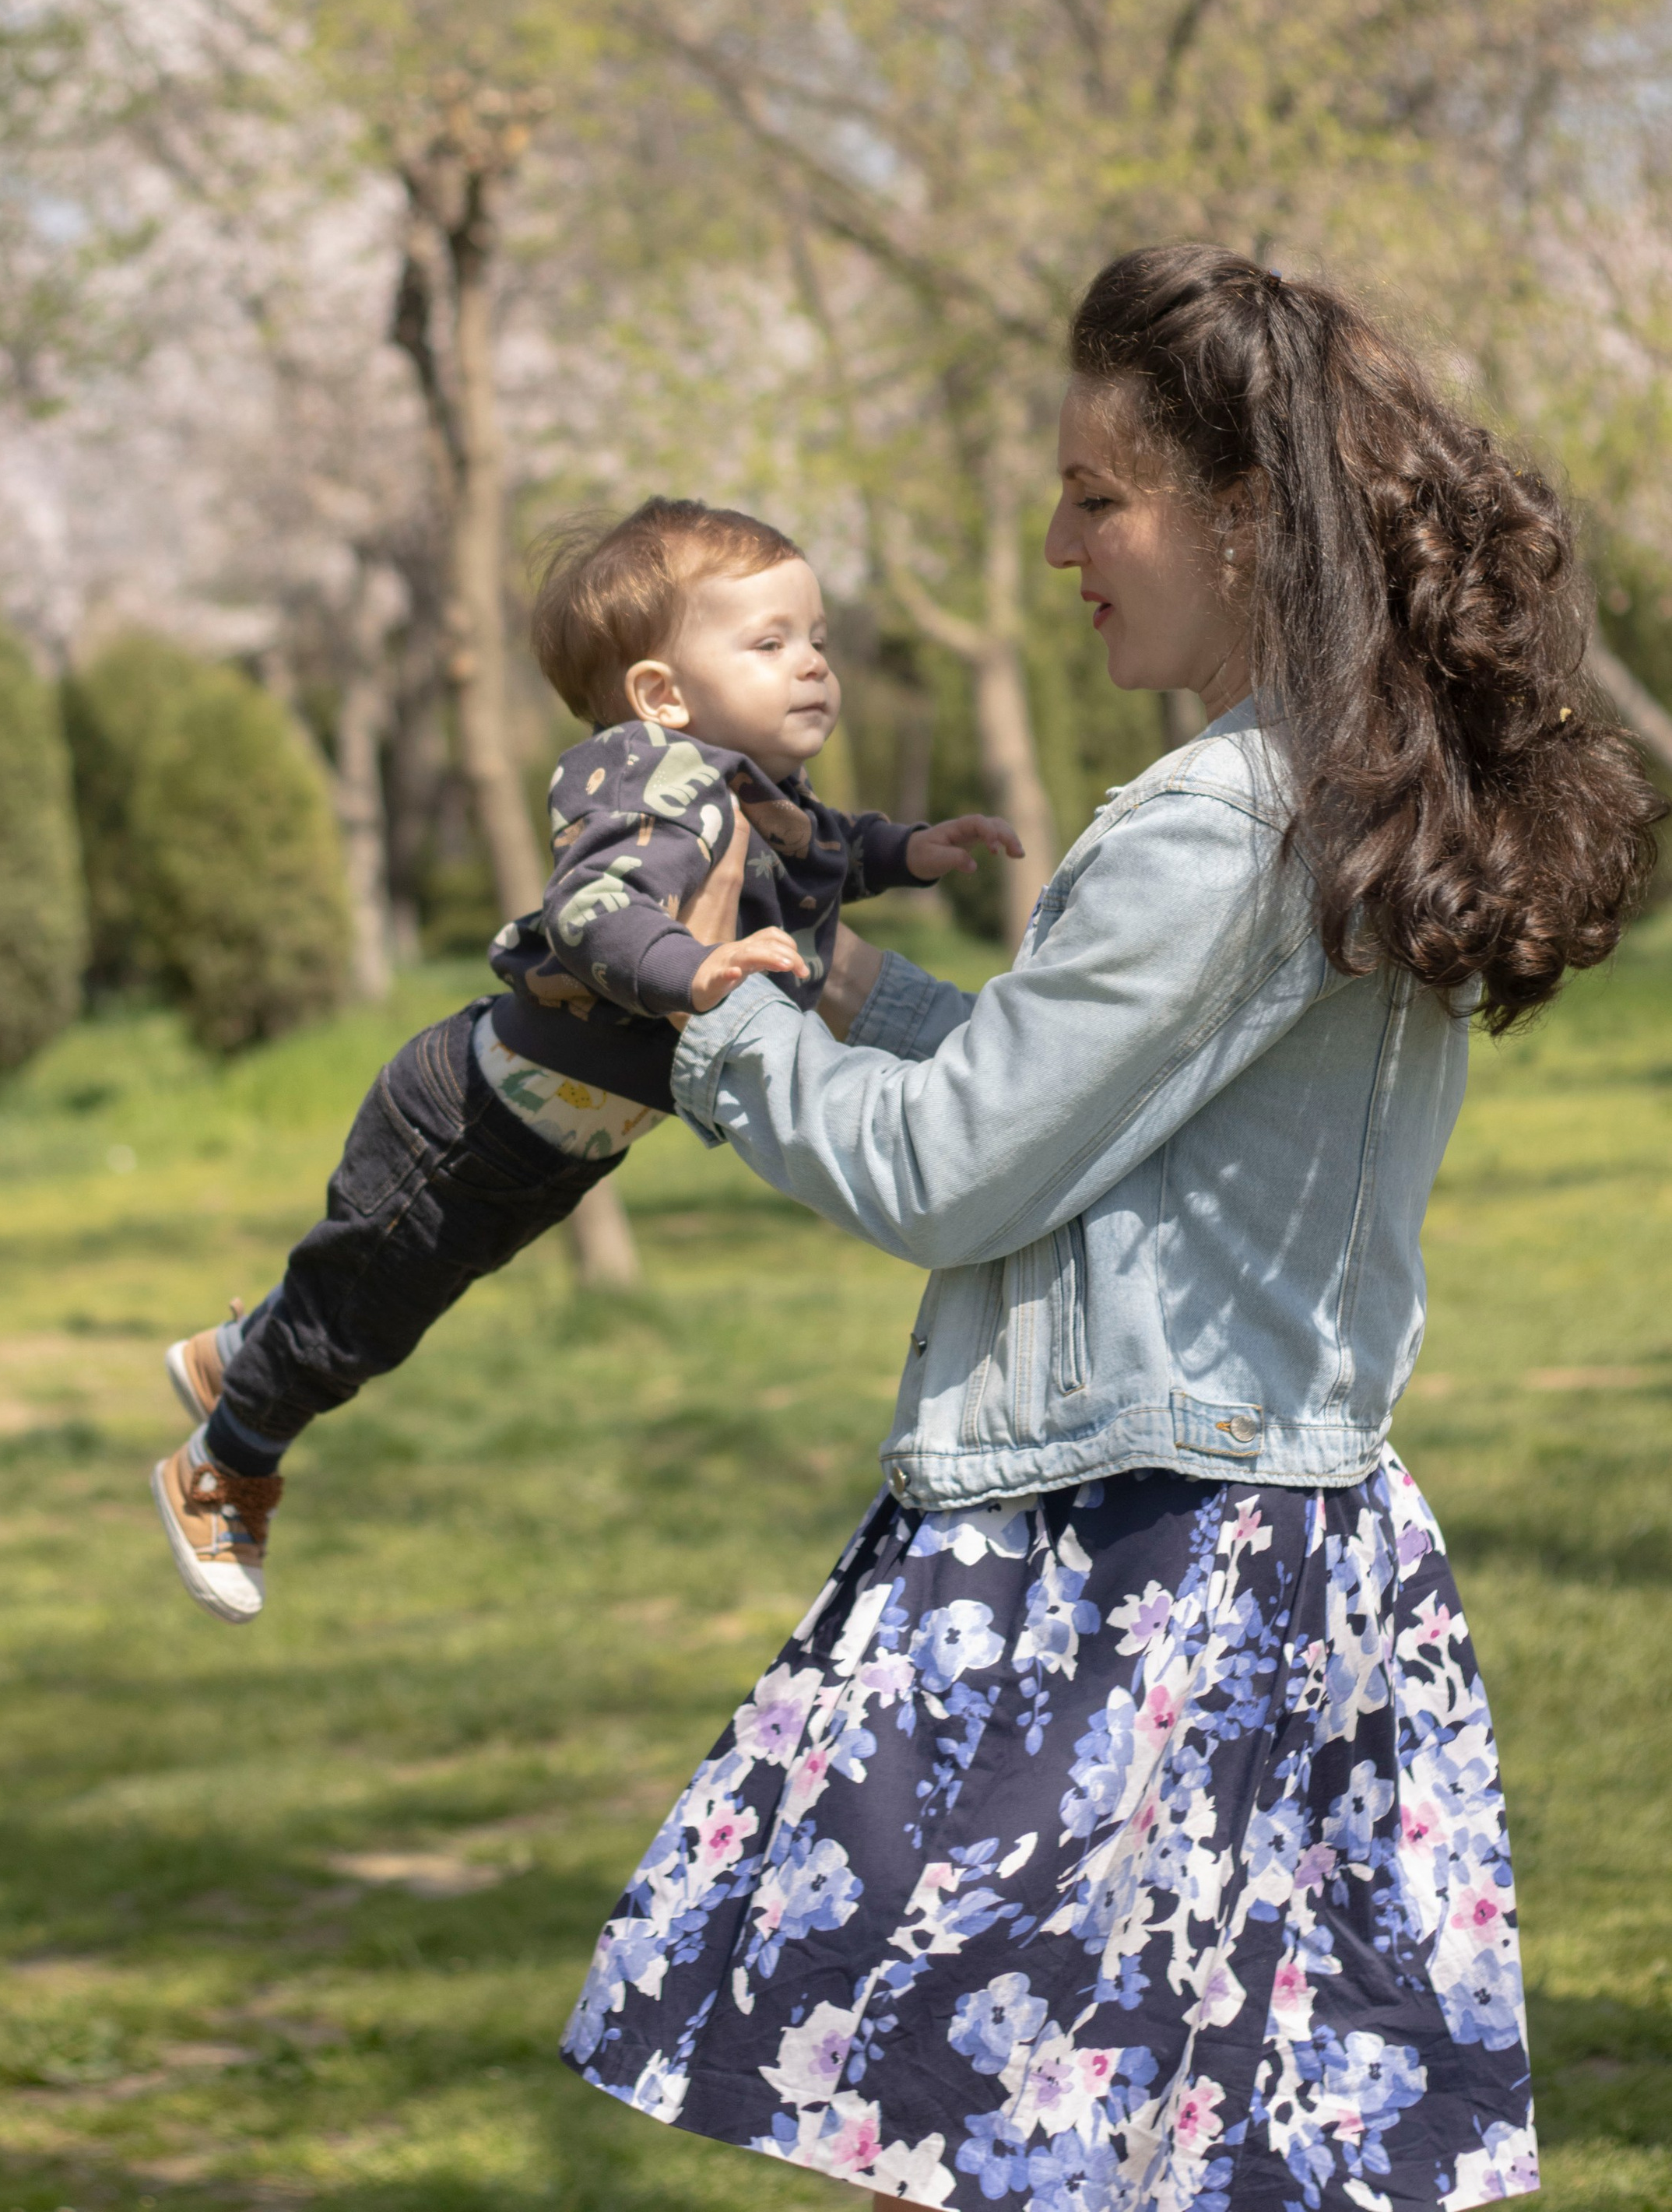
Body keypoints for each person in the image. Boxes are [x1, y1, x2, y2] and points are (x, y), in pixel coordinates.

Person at [561, 246, 1661, 2211]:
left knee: (996, 2128)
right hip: (1280, 1548)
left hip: (1130, 1564)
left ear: (1242, 520)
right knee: (1186, 2148)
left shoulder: (1209, 823)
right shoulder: (1339, 798)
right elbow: (1095, 1111)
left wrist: (703, 1009)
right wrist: (845, 993)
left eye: (1097, 494)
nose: (1056, 539)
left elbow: (947, 1177)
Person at [151, 494, 1018, 1621]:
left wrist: (912, 852)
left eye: (817, 640)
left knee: (383, 1292)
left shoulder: (750, 791)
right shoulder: (648, 783)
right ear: (662, 695)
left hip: (555, 1143)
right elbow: (594, 910)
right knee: (358, 1320)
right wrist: (689, 971)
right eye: (771, 644)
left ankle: (236, 1349)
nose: (813, 666)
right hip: (465, 1120)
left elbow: (823, 857)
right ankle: (221, 1462)